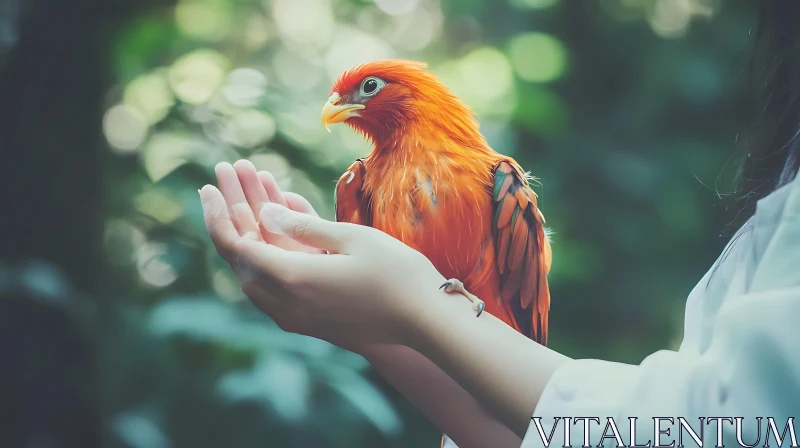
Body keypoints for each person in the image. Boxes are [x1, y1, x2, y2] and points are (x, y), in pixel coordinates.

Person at [199, 2, 800, 447]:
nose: (344, 104)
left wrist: (419, 306)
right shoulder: (360, 187)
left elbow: (717, 422)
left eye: (368, 89)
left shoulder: (496, 180)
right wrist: (380, 322)